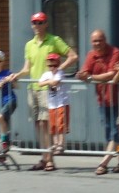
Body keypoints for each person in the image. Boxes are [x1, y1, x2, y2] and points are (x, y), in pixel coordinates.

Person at [13, 12, 77, 171]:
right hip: (33, 87)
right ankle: (44, 157)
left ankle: (50, 160)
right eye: (34, 22)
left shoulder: (54, 40)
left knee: (45, 123)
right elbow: (27, 68)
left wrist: (57, 70)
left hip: (47, 89)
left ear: (46, 24)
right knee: (38, 124)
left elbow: (73, 56)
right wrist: (16, 75)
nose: (37, 25)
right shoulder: (29, 44)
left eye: (40, 22)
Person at [77, 29, 119, 171]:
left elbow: (111, 74)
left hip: (118, 99)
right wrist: (82, 75)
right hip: (102, 100)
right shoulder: (91, 55)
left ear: (105, 39)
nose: (97, 43)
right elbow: (85, 71)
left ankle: (104, 163)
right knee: (110, 131)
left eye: (100, 40)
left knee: (115, 132)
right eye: (94, 41)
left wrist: (90, 78)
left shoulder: (115, 52)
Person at [36, 52, 70, 166]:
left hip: (61, 103)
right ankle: (55, 144)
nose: (52, 68)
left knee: (61, 125)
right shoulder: (47, 74)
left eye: (54, 65)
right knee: (53, 126)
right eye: (50, 65)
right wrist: (48, 82)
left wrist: (50, 82)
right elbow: (40, 83)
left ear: (58, 64)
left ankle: (60, 144)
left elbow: (56, 81)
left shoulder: (60, 72)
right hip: (51, 104)